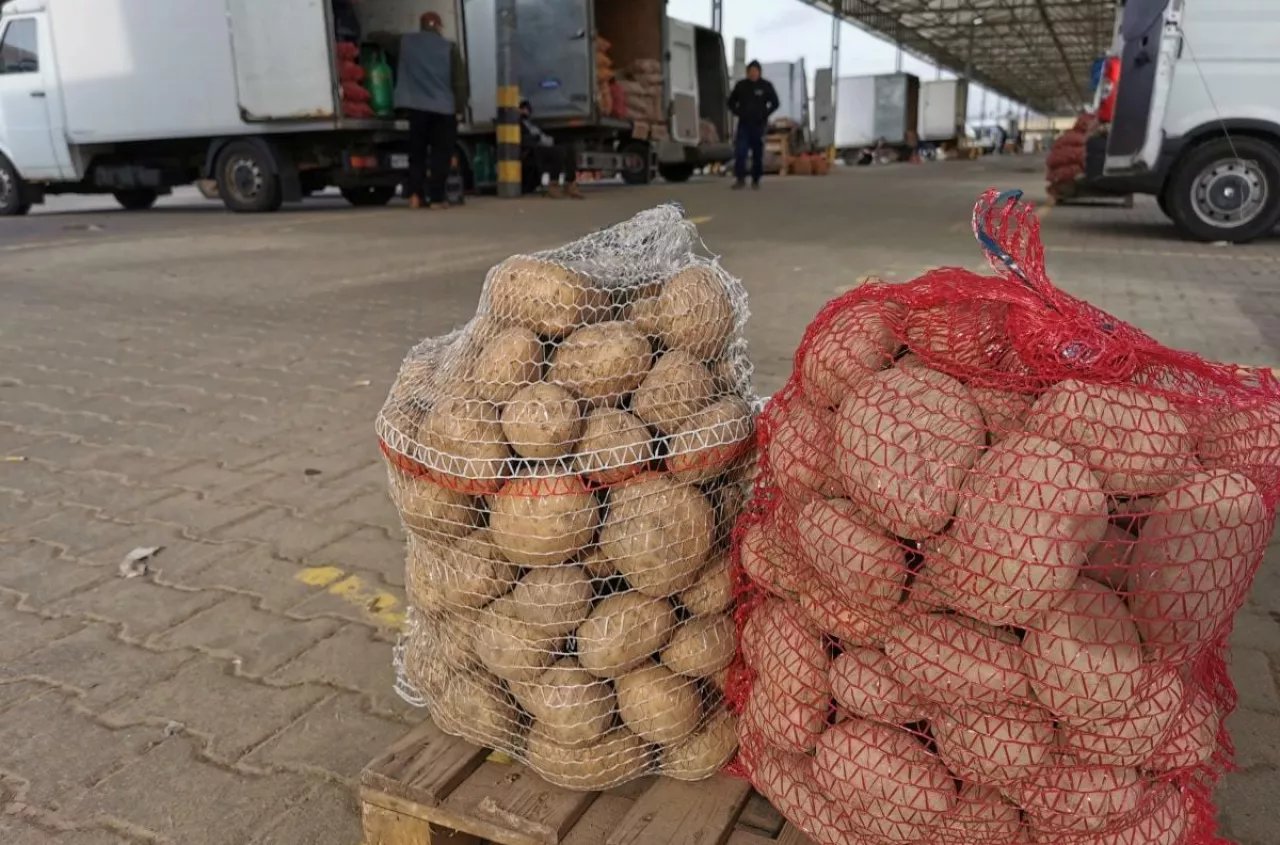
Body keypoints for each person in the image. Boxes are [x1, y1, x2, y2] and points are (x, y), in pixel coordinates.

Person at [395, 12, 469, 209]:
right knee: (440, 156)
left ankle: (415, 196)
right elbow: (459, 82)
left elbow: (376, 36)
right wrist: (460, 108)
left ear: (421, 26)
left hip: (416, 108)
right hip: (443, 110)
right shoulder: (449, 47)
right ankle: (436, 198)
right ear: (439, 27)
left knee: (417, 154)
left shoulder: (405, 42)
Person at [727, 60, 779, 190]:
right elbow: (730, 102)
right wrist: (738, 112)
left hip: (759, 125)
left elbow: (775, 103)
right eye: (751, 71)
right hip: (744, 125)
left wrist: (765, 114)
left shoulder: (766, 86)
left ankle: (756, 180)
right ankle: (740, 179)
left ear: (759, 72)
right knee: (741, 152)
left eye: (755, 71)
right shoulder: (741, 86)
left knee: (757, 154)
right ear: (747, 72)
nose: (753, 73)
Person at [519, 101, 583, 199]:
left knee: (569, 148)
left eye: (526, 108)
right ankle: (553, 185)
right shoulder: (516, 123)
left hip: (546, 143)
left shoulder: (532, 122)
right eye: (522, 108)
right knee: (558, 151)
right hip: (535, 148)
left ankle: (570, 184)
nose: (525, 110)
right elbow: (523, 138)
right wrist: (537, 138)